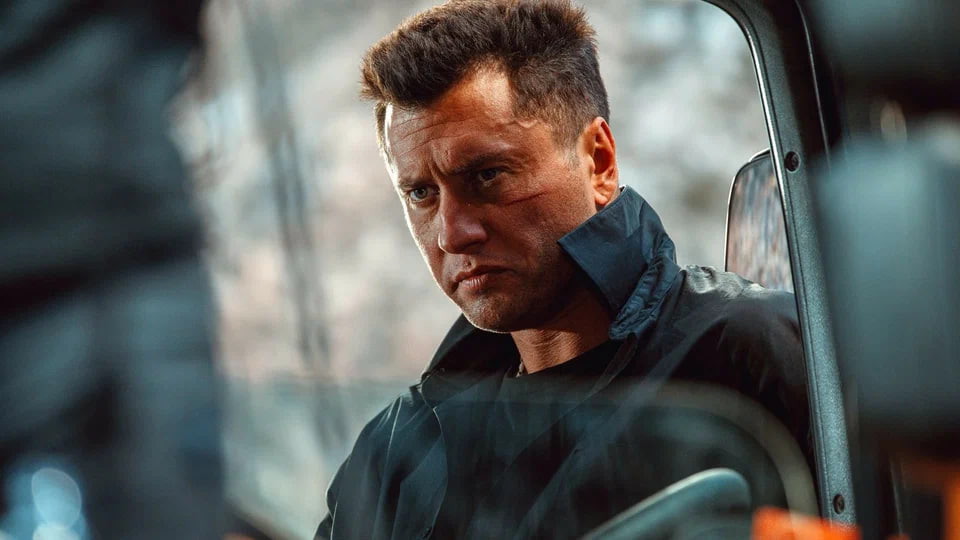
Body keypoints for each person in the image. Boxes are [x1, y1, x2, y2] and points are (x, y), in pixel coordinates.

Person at [316, 1, 811, 538]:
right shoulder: (395, 450)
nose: (452, 234)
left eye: (487, 176)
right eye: (420, 193)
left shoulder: (753, 353)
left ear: (598, 162)